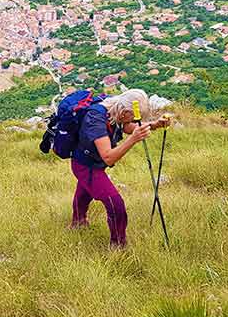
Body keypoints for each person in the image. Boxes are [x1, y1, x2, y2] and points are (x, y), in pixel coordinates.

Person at [69, 89, 169, 248]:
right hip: (85, 166)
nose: (134, 121)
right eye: (132, 117)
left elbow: (128, 127)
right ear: (123, 112)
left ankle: (78, 223)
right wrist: (133, 140)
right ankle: (118, 245)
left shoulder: (114, 109)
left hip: (91, 163)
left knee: (84, 191)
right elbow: (108, 157)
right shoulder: (95, 119)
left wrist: (155, 125)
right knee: (115, 204)